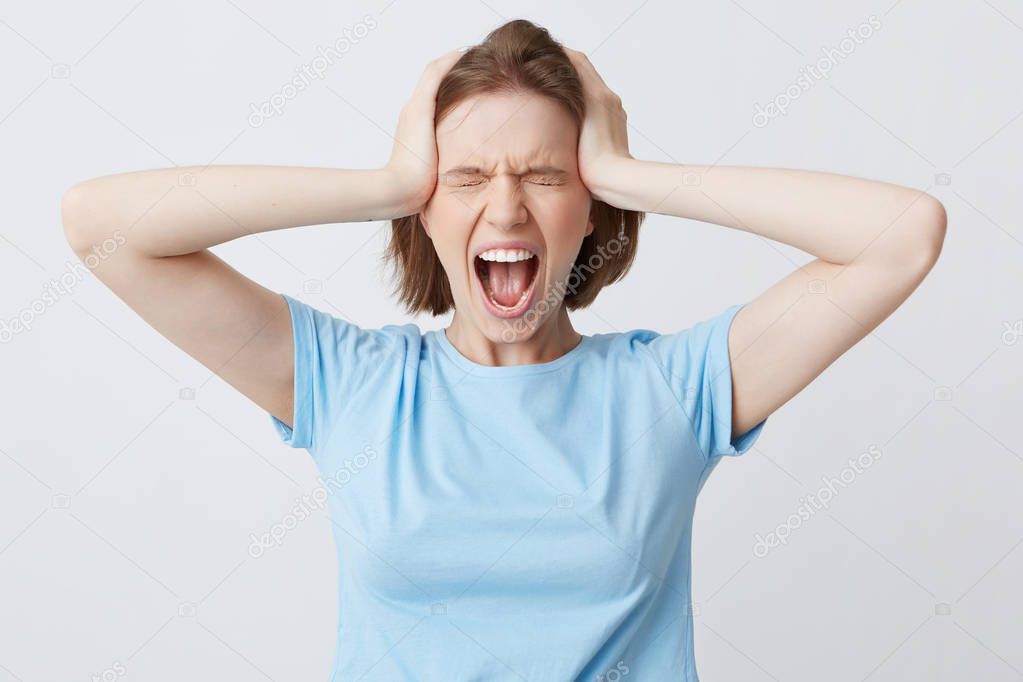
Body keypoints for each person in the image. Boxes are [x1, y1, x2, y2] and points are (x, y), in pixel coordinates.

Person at [60, 18, 946, 682]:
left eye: (547, 174)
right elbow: (104, 229)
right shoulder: (350, 388)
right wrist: (386, 182)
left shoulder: (669, 393)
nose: (509, 207)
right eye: (469, 177)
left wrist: (632, 174)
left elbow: (902, 234)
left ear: (587, 206)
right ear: (428, 209)